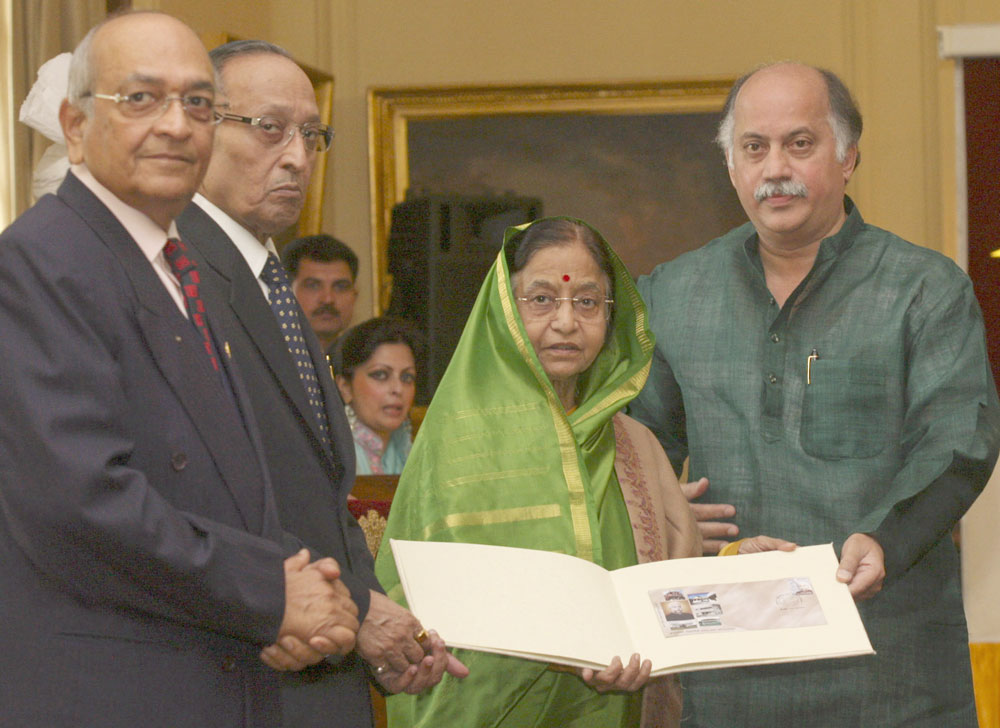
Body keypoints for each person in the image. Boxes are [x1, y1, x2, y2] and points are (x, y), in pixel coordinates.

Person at [0, 12, 360, 727]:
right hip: (112, 694)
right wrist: (272, 594)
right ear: (75, 126)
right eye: (141, 98)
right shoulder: (40, 262)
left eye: (197, 103)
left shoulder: (177, 267)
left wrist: (306, 596)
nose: (175, 125)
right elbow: (78, 505)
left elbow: (229, 490)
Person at [629, 61, 1000, 726]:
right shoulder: (672, 293)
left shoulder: (923, 289)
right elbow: (636, 447)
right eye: (754, 147)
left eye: (799, 144)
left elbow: (958, 438)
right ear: (731, 166)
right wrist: (661, 506)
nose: (775, 168)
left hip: (889, 665)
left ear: (848, 156)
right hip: (725, 671)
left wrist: (886, 538)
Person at [175, 40, 462, 726]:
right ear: (199, 127)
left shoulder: (270, 281)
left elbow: (322, 497)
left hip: (317, 678)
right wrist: (354, 612)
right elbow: (191, 497)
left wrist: (371, 613)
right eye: (269, 128)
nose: (298, 158)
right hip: (236, 671)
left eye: (312, 135)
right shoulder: (175, 275)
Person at [375, 217, 702, 728]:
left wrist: (739, 565)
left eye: (587, 301)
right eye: (542, 299)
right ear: (505, 308)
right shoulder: (458, 440)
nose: (567, 322)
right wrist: (564, 647)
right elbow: (416, 603)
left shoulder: (635, 446)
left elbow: (678, 591)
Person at [332, 316, 421, 475]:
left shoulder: (414, 455)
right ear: (345, 387)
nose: (398, 389)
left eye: (407, 377)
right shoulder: (331, 458)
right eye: (380, 375)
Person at [283, 233, 359, 351]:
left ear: (355, 295)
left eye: (340, 287)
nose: (328, 299)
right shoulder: (261, 356)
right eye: (313, 286)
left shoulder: (363, 359)